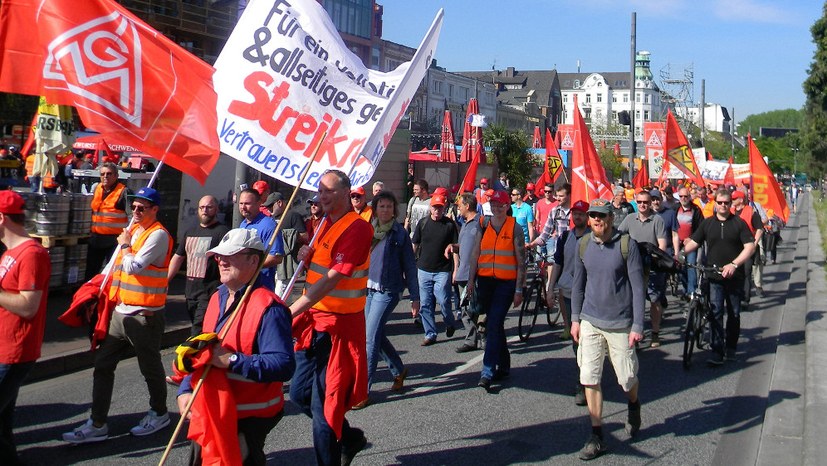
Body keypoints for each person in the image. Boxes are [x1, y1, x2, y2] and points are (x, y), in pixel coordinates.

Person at [176, 228, 295, 466]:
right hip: (212, 407)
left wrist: (231, 360)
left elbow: (283, 364)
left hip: (248, 414)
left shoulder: (270, 308)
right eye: (220, 256)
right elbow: (204, 352)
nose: (221, 261)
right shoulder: (218, 296)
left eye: (230, 255)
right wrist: (185, 389)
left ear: (253, 261)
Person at [63, 187, 173, 443]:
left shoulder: (158, 235)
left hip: (144, 316)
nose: (135, 211)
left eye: (141, 207)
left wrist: (124, 244)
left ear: (155, 209)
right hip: (120, 312)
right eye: (133, 206)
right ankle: (97, 422)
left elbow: (133, 266)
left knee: (150, 368)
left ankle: (159, 413)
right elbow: (116, 266)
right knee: (103, 364)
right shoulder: (134, 230)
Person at [289, 170, 372, 466]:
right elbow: (320, 267)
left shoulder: (357, 228)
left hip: (337, 329)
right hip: (314, 323)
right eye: (320, 191)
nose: (322, 196)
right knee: (299, 394)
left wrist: (290, 310)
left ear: (346, 193)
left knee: (324, 408)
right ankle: (350, 438)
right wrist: (305, 254)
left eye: (329, 191)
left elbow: (333, 278)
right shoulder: (324, 222)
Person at [570, 198, 645, 461]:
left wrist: (637, 325)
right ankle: (597, 435)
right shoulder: (583, 244)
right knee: (589, 377)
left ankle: (633, 404)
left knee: (626, 379)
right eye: (593, 215)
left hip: (620, 322)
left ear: (611, 218)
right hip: (590, 319)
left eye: (601, 215)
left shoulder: (626, 245)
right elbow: (578, 285)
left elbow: (638, 287)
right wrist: (575, 319)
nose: (596, 220)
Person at [354, 191, 419, 409]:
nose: (385, 210)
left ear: (394, 210)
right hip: (368, 288)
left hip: (388, 290)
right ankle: (398, 370)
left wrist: (415, 298)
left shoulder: (400, 234)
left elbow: (410, 266)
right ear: (375, 209)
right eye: (381, 206)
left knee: (369, 339)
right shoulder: (368, 229)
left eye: (389, 206)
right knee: (375, 334)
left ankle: (363, 391)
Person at [0, 191, 51, 465]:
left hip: (15, 352)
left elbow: (28, 306)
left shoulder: (31, 254)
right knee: (3, 425)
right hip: (4, 347)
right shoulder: (9, 252)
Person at [683, 189, 755, 365]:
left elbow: (750, 247)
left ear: (731, 204)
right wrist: (679, 255)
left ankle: (730, 348)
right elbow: (694, 242)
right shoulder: (708, 224)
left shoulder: (739, 223)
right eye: (720, 202)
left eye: (726, 203)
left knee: (734, 314)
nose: (723, 206)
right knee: (715, 313)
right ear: (715, 203)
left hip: (734, 276)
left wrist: (734, 264)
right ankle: (717, 351)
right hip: (714, 276)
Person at [468, 190, 526, 391]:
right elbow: (475, 253)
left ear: (507, 206)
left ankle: (487, 372)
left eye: (500, 205)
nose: (496, 209)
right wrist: (470, 280)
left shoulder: (515, 228)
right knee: (495, 324)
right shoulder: (483, 224)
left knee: (493, 323)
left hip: (506, 284)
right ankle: (504, 364)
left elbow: (521, 261)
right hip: (485, 282)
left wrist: (519, 289)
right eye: (493, 205)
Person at [166, 195, 229, 337]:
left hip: (210, 292)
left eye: (209, 207)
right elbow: (178, 257)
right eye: (202, 207)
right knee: (197, 325)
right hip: (190, 292)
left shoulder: (222, 232)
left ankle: (194, 350)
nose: (205, 210)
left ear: (216, 209)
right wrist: (165, 281)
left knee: (198, 329)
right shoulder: (190, 232)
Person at [547, 199, 590, 405]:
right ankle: (582, 381)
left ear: (587, 216)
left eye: (581, 214)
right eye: (575, 214)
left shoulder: (595, 237)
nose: (577, 217)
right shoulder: (565, 237)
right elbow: (558, 263)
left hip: (591, 296)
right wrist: (550, 288)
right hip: (570, 293)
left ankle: (590, 376)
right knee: (577, 339)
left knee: (589, 340)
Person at [617, 189, 667, 348]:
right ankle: (635, 331)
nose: (642, 205)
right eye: (639, 202)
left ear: (650, 203)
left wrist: (656, 257)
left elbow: (662, 245)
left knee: (654, 300)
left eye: (646, 202)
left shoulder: (657, 220)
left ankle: (655, 332)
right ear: (636, 202)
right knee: (633, 300)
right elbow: (618, 237)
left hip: (652, 265)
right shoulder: (630, 219)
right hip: (634, 266)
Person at [412, 193, 461, 346]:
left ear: (444, 207)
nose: (437, 210)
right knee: (425, 304)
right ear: (430, 208)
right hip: (424, 269)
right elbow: (415, 245)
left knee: (444, 301)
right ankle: (430, 334)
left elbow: (455, 249)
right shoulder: (423, 223)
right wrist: (410, 265)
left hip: (443, 270)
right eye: (435, 207)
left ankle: (449, 322)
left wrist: (456, 269)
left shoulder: (449, 225)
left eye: (440, 207)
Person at [452, 193, 485, 353]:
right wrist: (453, 247)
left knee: (479, 308)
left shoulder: (481, 222)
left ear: (467, 206)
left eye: (460, 205)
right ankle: (471, 340)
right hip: (463, 272)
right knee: (465, 308)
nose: (458, 208)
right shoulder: (464, 224)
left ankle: (484, 337)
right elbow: (463, 246)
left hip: (477, 273)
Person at [87, 162, 131, 280]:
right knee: (91, 272)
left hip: (114, 241)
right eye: (102, 174)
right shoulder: (97, 188)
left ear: (116, 176)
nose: (105, 176)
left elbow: (132, 217)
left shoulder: (124, 192)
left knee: (111, 273)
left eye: (109, 174)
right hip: (95, 239)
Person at [237, 188, 284, 291]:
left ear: (259, 204)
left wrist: (249, 267)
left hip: (261, 286)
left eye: (247, 203)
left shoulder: (268, 225)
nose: (243, 207)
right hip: (243, 285)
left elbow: (276, 257)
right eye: (241, 203)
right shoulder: (243, 224)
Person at [265, 191, 308, 297]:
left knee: (279, 295)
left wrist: (286, 235)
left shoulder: (293, 215)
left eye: (270, 206)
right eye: (267, 206)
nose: (268, 209)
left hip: (286, 265)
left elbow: (305, 236)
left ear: (279, 203)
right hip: (273, 264)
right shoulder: (270, 219)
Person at [731, 190, 764, 301]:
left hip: (747, 247)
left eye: (734, 199)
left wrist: (754, 244)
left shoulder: (751, 211)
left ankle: (745, 298)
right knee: (735, 272)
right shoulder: (730, 211)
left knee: (746, 272)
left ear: (741, 200)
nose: (732, 200)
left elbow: (759, 228)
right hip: (734, 246)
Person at [675, 187, 704, 298]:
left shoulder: (696, 209)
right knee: (681, 267)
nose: (683, 198)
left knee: (691, 266)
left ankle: (691, 291)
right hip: (678, 244)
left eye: (685, 196)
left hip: (691, 244)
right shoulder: (675, 208)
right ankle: (685, 289)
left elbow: (701, 228)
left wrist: (691, 238)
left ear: (689, 197)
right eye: (681, 196)